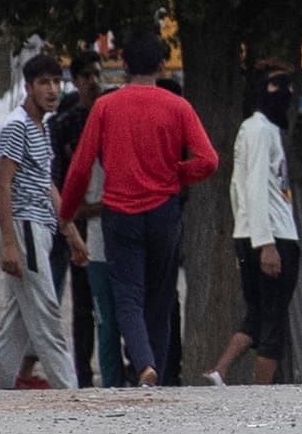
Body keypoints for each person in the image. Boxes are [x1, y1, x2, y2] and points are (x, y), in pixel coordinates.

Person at [59, 30, 218, 387]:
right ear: (162, 65)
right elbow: (208, 160)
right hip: (164, 211)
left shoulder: (105, 107)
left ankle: (142, 363)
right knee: (160, 298)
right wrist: (177, 175)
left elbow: (81, 166)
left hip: (119, 213)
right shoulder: (178, 106)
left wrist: (67, 212)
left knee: (127, 294)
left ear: (125, 65)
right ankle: (155, 374)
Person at [0, 55, 87, 389]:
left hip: (40, 228)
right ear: (28, 87)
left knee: (15, 325)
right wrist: (10, 242)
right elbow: (3, 184)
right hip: (25, 226)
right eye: (44, 83)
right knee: (47, 317)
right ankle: (71, 394)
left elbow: (46, 183)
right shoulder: (17, 126)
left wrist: (70, 231)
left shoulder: (40, 126)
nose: (53, 90)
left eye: (57, 82)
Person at [206, 63, 302, 385]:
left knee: (258, 313)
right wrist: (266, 243)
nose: (284, 94)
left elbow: (240, 188)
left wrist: (245, 233)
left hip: (253, 232)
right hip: (273, 235)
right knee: (273, 320)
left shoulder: (258, 129)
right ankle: (263, 395)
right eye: (275, 87)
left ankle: (220, 370)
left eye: (287, 86)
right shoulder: (260, 130)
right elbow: (255, 186)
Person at [50, 50, 123, 387]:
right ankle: (82, 373)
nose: (94, 81)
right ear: (77, 81)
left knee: (116, 301)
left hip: (114, 220)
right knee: (83, 305)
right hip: (79, 221)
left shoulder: (113, 117)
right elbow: (60, 177)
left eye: (98, 75)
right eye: (87, 76)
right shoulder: (67, 124)